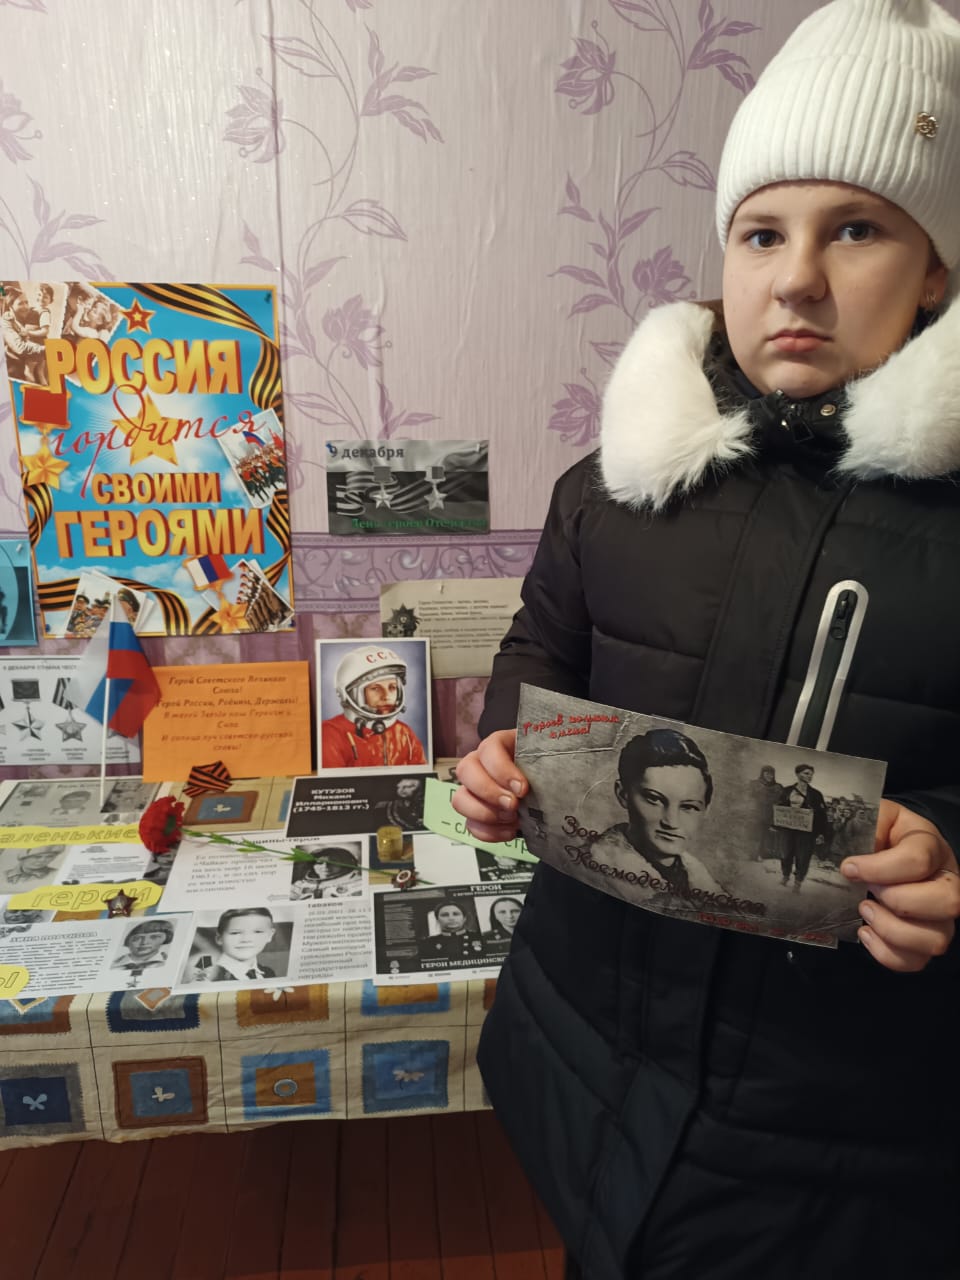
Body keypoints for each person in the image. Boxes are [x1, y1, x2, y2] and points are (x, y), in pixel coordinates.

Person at [452, 3, 960, 1275]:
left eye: (857, 229)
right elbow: (540, 650)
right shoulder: (613, 485)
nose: (797, 278)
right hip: (585, 1057)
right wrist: (504, 747)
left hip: (843, 1138)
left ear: (935, 270)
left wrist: (955, 851)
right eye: (761, 232)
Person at [586, 728, 724, 907]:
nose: (671, 822)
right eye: (654, 799)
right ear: (623, 794)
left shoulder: (708, 889)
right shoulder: (585, 869)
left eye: (689, 807)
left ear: (706, 809)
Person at [321, 644, 428, 768]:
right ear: (350, 694)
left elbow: (420, 775)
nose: (386, 696)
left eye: (393, 687)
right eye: (375, 688)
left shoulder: (404, 733)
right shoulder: (331, 734)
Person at [777, 763, 830, 892]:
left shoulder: (816, 794)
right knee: (785, 853)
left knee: (803, 857)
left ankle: (798, 882)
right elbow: (778, 808)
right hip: (788, 829)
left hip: (807, 832)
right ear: (798, 774)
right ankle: (785, 876)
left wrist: (821, 833)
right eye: (806, 773)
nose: (810, 776)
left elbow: (822, 815)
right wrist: (776, 823)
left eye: (811, 774)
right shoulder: (787, 790)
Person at [191, 907, 277, 983]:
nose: (246, 940)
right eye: (235, 933)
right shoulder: (209, 976)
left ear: (270, 935)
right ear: (219, 938)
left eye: (258, 932)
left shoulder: (268, 973)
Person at [419, 899, 484, 962]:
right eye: (445, 915)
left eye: (456, 914)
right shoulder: (427, 944)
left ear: (464, 918)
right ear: (437, 920)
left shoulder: (480, 938)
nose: (451, 918)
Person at [289, 845, 363, 899]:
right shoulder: (299, 886)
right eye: (319, 862)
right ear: (313, 866)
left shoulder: (357, 883)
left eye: (332, 862)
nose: (325, 866)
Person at [746, 763, 781, 862]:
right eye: (767, 774)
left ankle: (761, 854)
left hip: (769, 815)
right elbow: (748, 796)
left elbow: (781, 800)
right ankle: (752, 854)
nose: (770, 776)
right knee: (754, 835)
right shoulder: (754, 784)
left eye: (771, 774)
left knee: (765, 836)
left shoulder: (777, 787)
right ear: (762, 774)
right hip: (756, 813)